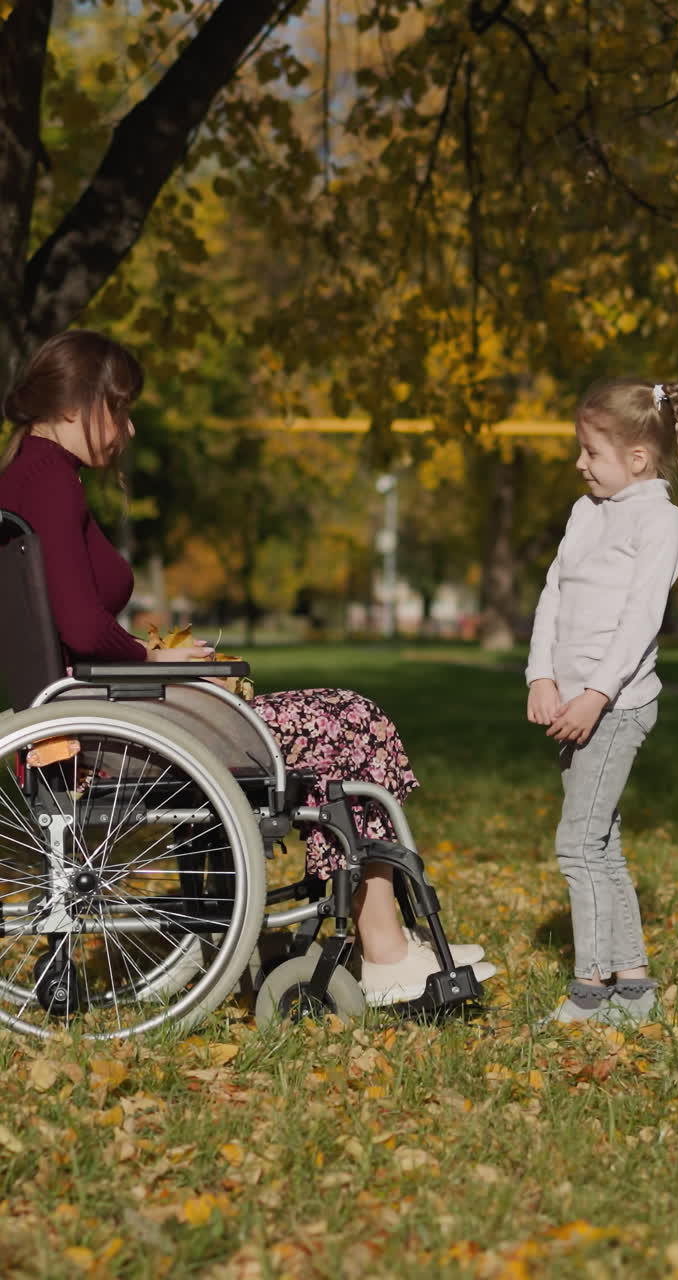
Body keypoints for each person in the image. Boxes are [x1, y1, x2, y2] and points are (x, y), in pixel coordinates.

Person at [0, 329, 495, 1007]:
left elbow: (72, 628)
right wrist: (158, 660)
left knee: (344, 720)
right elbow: (83, 628)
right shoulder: (51, 482)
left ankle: (386, 939)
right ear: (77, 404)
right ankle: (382, 947)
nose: (130, 425)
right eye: (120, 408)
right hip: (111, 729)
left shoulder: (28, 476)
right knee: (353, 720)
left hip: (95, 716)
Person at [526, 377, 678, 1025]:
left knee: (577, 845)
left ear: (637, 459)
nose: (580, 463)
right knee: (600, 842)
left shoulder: (658, 523)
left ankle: (590, 989)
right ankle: (632, 985)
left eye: (591, 452)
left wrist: (597, 696)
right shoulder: (588, 511)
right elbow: (554, 590)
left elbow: (639, 622)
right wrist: (541, 676)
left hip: (615, 709)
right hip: (573, 706)